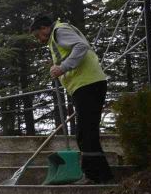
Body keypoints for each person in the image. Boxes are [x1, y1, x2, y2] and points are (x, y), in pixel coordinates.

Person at [29, 14, 114, 184]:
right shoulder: (58, 34)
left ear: (44, 28)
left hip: (88, 84)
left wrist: (62, 67)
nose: (39, 39)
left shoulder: (60, 31)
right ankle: (100, 175)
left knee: (85, 133)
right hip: (86, 85)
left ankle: (97, 176)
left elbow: (81, 47)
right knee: (86, 132)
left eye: (38, 35)